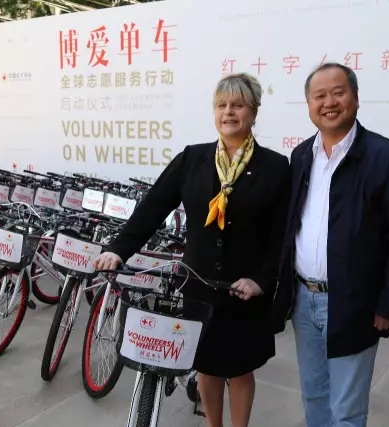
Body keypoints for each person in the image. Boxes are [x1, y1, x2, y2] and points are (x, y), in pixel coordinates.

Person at [94, 72, 290, 427]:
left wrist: (262, 280)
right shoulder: (192, 159)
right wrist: (119, 250)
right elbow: (153, 207)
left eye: (238, 105)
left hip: (246, 289)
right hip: (198, 284)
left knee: (240, 369)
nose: (229, 112)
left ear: (254, 112)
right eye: (222, 105)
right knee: (207, 365)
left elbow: (282, 236)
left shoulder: (275, 167)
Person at [272, 63, 389, 427]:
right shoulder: (301, 156)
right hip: (304, 300)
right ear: (309, 105)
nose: (329, 102)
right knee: (314, 396)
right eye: (319, 95)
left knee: (346, 409)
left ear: (355, 98)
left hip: (354, 302)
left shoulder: (386, 158)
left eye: (338, 93)